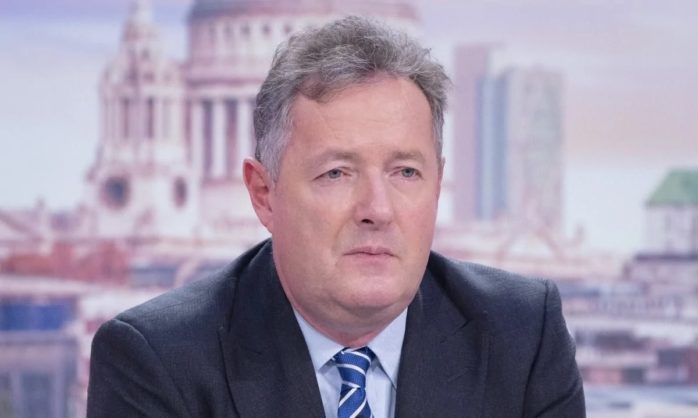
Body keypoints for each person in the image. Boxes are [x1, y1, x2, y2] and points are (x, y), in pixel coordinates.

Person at [87, 16, 585, 418]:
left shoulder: (523, 337)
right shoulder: (156, 359)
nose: (377, 210)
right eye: (336, 173)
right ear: (264, 194)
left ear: (438, 185)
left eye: (406, 172)